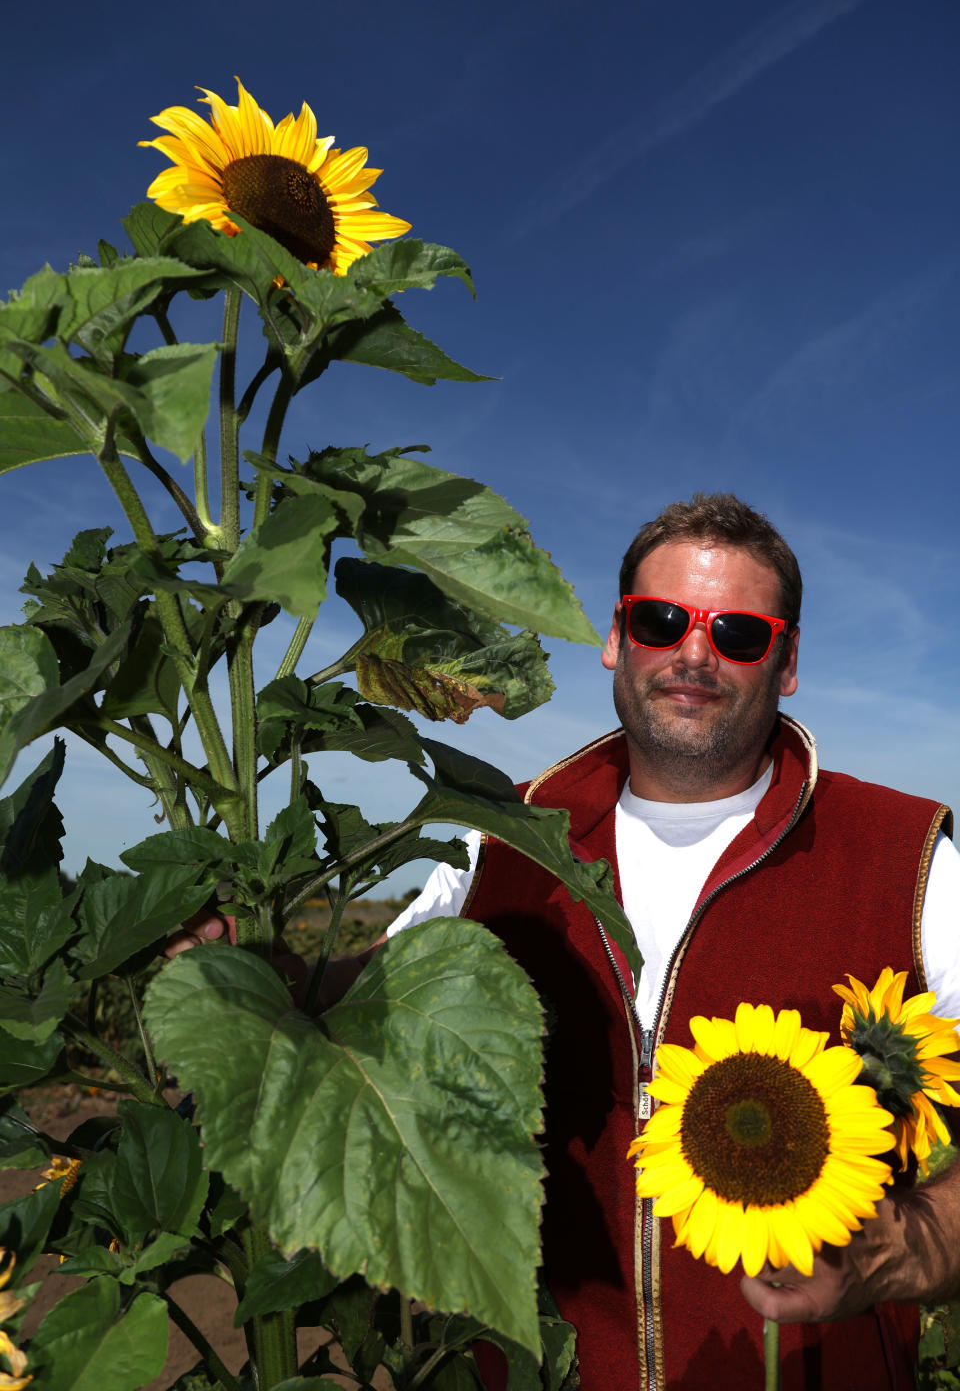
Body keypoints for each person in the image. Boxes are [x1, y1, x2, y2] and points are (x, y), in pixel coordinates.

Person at [172, 493, 960, 1391]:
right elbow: (369, 1010)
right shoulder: (498, 830)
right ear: (617, 642)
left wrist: (905, 1250)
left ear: (785, 666)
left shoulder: (899, 854)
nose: (694, 653)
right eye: (661, 621)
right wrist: (252, 969)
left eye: (739, 633)